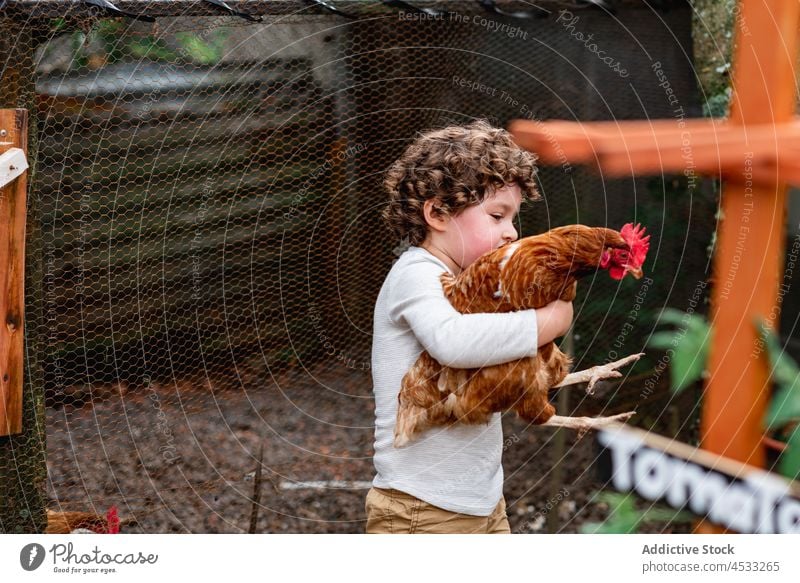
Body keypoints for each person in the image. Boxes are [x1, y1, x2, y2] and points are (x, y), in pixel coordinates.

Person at [365, 119, 574, 534]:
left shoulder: (471, 284)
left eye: (513, 218)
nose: (511, 232)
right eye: (497, 215)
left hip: (484, 503)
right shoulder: (416, 273)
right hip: (420, 511)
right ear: (438, 213)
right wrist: (544, 322)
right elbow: (453, 342)